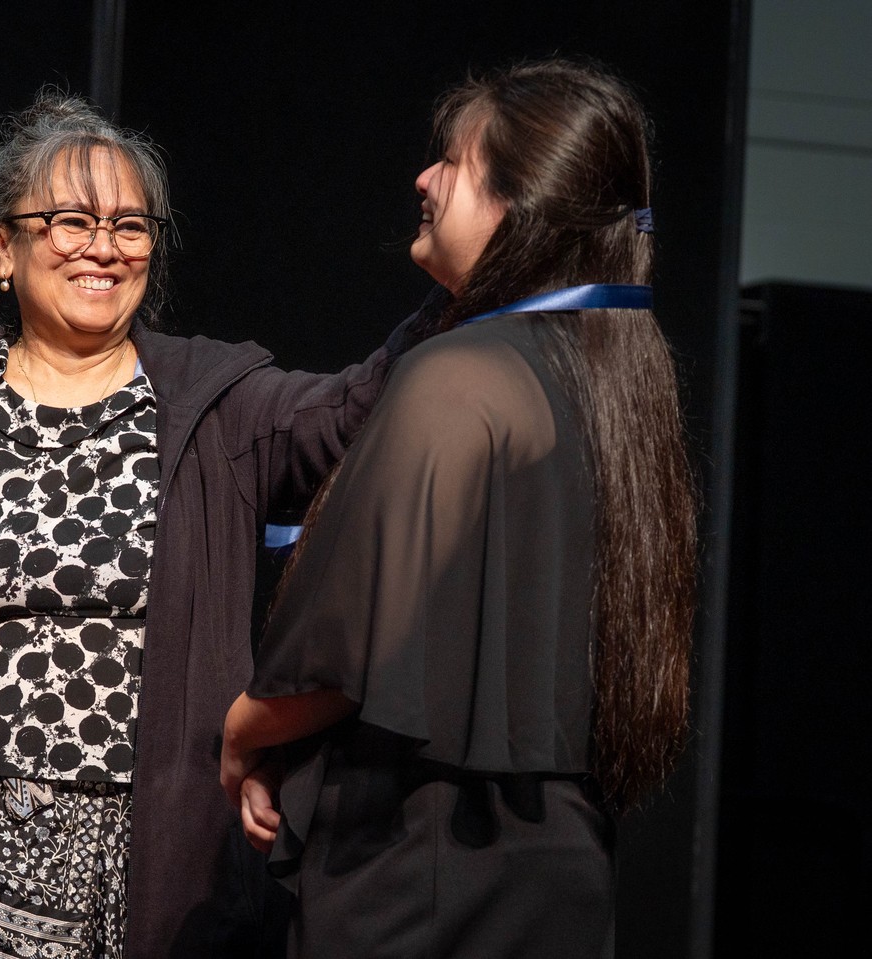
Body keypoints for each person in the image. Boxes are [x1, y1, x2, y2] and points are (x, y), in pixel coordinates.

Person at [0, 91, 410, 959]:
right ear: (1, 249)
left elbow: (355, 407)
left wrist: (476, 291)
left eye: (130, 224)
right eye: (69, 221)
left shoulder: (217, 405)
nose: (104, 247)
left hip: (160, 863)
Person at [220, 59, 698, 958]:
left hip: (423, 871)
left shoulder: (459, 378)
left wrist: (244, 731)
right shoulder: (619, 379)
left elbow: (349, 640)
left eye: (450, 161)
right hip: (558, 873)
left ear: (515, 205)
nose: (425, 179)